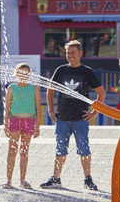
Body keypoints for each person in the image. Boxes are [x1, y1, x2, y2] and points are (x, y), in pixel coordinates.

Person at [41, 40, 106, 190]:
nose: (70, 56)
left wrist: (95, 112)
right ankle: (56, 178)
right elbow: (50, 90)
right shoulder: (61, 70)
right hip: (62, 119)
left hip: (80, 119)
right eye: (67, 53)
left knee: (84, 150)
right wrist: (51, 110)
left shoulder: (87, 72)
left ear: (80, 53)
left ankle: (87, 179)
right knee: (60, 150)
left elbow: (101, 92)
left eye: (73, 53)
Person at [2, 63, 41, 189]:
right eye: (21, 73)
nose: (24, 75)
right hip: (14, 120)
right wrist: (6, 124)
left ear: (29, 75)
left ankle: (22, 180)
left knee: (24, 152)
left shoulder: (34, 88)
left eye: (26, 73)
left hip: (29, 121)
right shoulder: (11, 88)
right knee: (12, 151)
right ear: (16, 74)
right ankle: (8, 180)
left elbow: (38, 109)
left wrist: (37, 126)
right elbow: (7, 108)